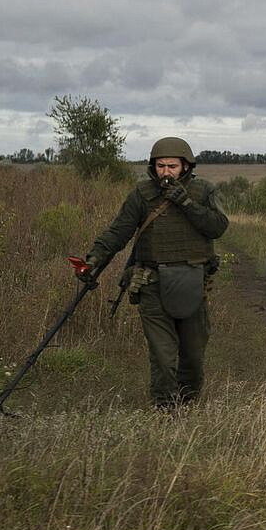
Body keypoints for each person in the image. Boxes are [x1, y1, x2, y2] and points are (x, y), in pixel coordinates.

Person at [84, 136, 229, 410]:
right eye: (160, 166)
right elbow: (119, 232)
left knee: (194, 356)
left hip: (193, 283)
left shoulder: (204, 191)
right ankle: (165, 409)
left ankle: (187, 404)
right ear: (153, 166)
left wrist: (185, 203)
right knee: (163, 356)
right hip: (151, 283)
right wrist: (94, 259)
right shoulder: (142, 194)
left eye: (172, 166)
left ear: (185, 166)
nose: (166, 172)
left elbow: (218, 227)